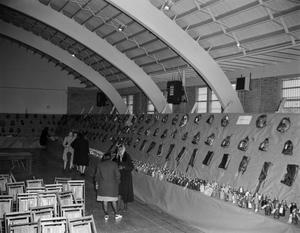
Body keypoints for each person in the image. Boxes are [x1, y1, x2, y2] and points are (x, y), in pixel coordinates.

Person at [95, 152, 122, 221]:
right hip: (112, 186)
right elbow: (118, 175)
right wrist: (117, 182)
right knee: (113, 201)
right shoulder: (114, 164)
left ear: (104, 157)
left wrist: (97, 184)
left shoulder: (100, 165)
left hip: (103, 186)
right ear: (110, 157)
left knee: (105, 201)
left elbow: (97, 176)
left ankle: (106, 215)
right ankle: (116, 214)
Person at [114, 144, 134, 211]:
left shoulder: (127, 156)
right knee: (119, 192)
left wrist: (124, 167)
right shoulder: (117, 157)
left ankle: (125, 207)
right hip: (119, 176)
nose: (119, 151)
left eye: (120, 149)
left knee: (125, 192)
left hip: (126, 177)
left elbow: (131, 167)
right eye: (118, 150)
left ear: (123, 149)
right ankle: (118, 207)